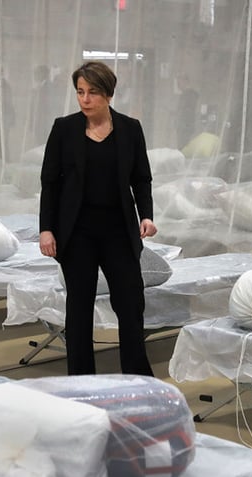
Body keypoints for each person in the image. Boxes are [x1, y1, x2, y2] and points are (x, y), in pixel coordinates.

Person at [39, 61, 158, 376]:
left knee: (130, 304)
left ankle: (138, 375)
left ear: (108, 94)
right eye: (80, 92)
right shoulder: (64, 129)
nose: (85, 99)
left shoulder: (130, 129)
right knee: (79, 307)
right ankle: (80, 378)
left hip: (119, 230)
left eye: (92, 92)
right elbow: (49, 183)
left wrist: (146, 215)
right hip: (77, 232)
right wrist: (46, 229)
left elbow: (141, 178)